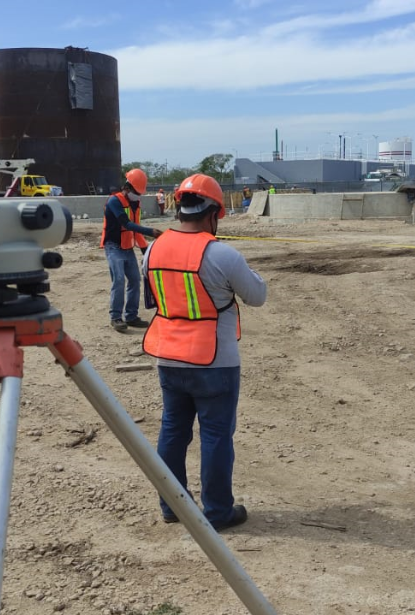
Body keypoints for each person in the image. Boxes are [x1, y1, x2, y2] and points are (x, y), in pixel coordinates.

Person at [141, 173, 267, 531]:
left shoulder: (153, 249)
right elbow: (257, 296)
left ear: (179, 208)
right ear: (215, 213)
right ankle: (217, 512)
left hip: (168, 356)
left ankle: (172, 505)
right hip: (215, 361)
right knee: (215, 435)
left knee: (173, 430)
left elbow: (152, 297)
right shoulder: (222, 255)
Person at [103, 168, 163, 332]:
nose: (139, 196)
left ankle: (131, 316)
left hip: (127, 246)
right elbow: (127, 224)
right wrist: (151, 232)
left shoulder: (135, 203)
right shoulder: (114, 201)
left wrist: (147, 252)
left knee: (135, 280)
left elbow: (135, 230)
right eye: (137, 192)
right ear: (127, 188)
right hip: (113, 246)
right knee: (119, 280)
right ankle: (116, 317)